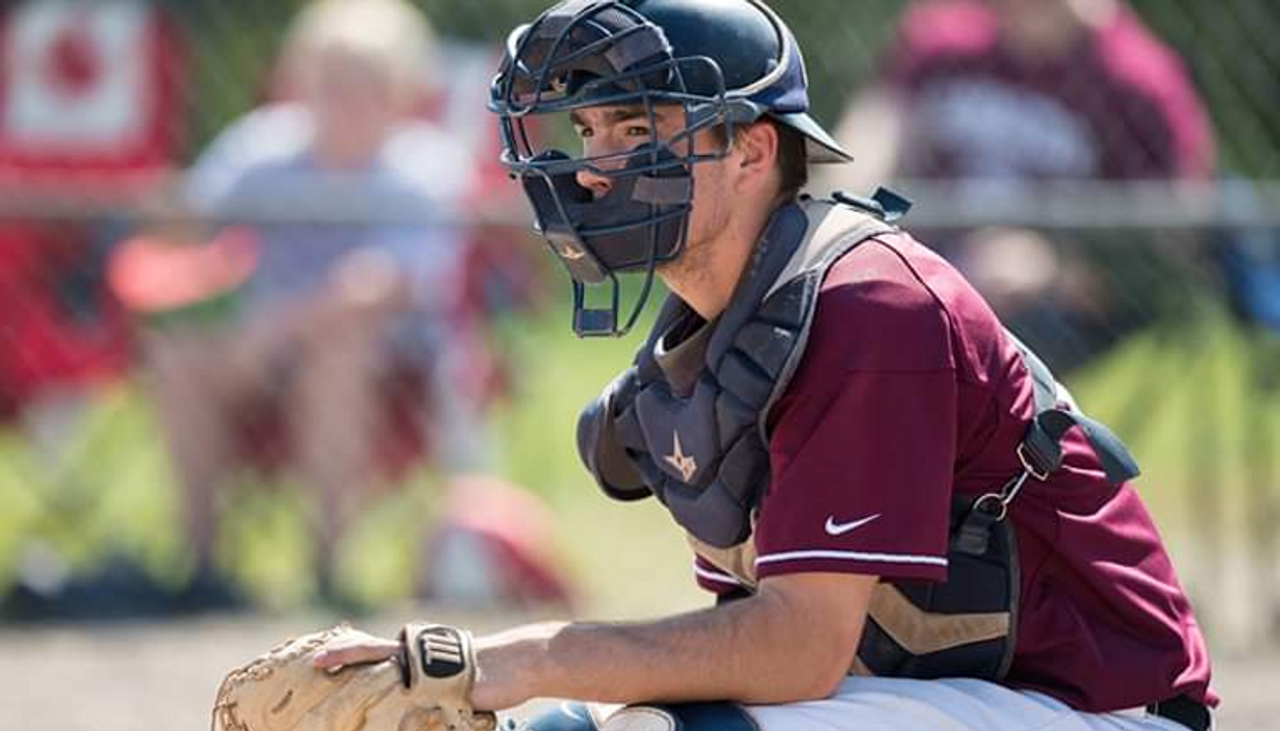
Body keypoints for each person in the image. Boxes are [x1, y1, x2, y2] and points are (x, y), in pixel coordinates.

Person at [308, 1, 1214, 730]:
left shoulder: (869, 304)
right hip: (961, 692)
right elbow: (759, 644)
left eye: (636, 127)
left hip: (1100, 706)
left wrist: (528, 656)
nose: (593, 167)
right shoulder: (718, 323)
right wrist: (501, 684)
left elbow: (796, 652)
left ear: (751, 148)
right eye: (588, 130)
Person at [127, 0, 499, 608]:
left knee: (339, 353)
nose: (344, 102)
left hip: (391, 372)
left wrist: (276, 332)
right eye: (329, 83)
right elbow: (189, 226)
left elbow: (376, 288)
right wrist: (164, 212)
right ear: (298, 84)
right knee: (178, 353)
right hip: (258, 351)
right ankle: (199, 567)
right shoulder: (261, 150)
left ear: (401, 92)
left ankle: (326, 568)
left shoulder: (423, 169)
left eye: (365, 85)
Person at [815, 0, 1216, 374]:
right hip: (923, 258)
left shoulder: (1136, 80)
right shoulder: (946, 40)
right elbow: (869, 144)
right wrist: (835, 229)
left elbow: (1165, 249)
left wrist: (1054, 271)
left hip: (1052, 300)